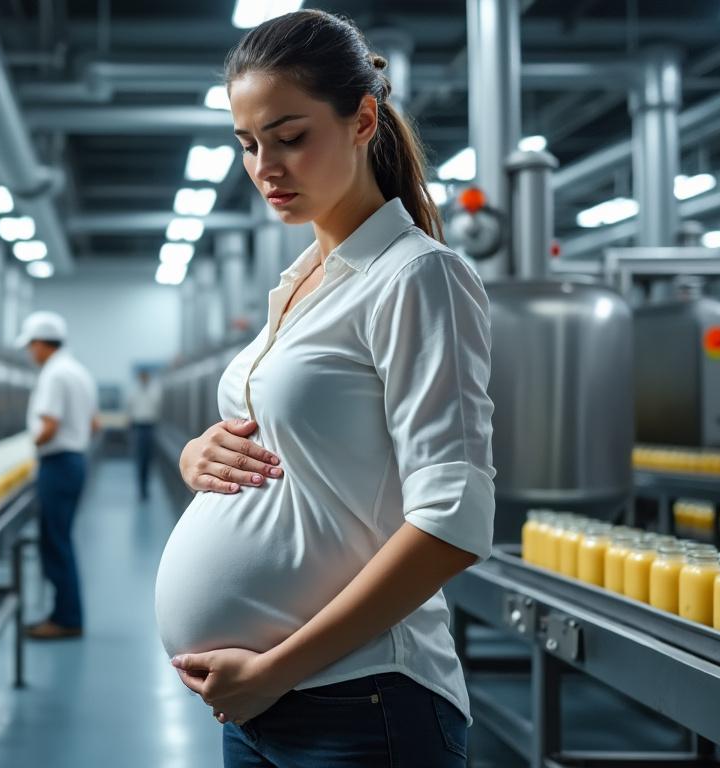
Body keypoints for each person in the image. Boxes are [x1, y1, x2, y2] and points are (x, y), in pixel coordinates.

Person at [153, 10, 495, 767]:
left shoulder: (416, 276)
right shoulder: (300, 282)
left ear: (362, 119)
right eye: (247, 144)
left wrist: (274, 671)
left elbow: (455, 519)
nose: (265, 167)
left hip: (361, 703)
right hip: (259, 709)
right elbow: (295, 449)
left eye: (290, 136)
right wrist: (196, 460)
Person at [17, 310, 99, 640]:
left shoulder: (54, 374)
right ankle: (65, 613)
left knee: (54, 543)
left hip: (57, 465)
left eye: (30, 346)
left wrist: (26, 449)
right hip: (74, 461)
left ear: (40, 344)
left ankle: (66, 619)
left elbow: (48, 427)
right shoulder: (78, 372)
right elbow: (95, 425)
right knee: (61, 540)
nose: (29, 353)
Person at [128, 370, 162, 501]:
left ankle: (146, 488)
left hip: (150, 427)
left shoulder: (155, 391)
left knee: (148, 459)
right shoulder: (133, 392)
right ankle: (141, 489)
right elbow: (129, 410)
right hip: (138, 427)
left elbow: (158, 407)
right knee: (140, 459)